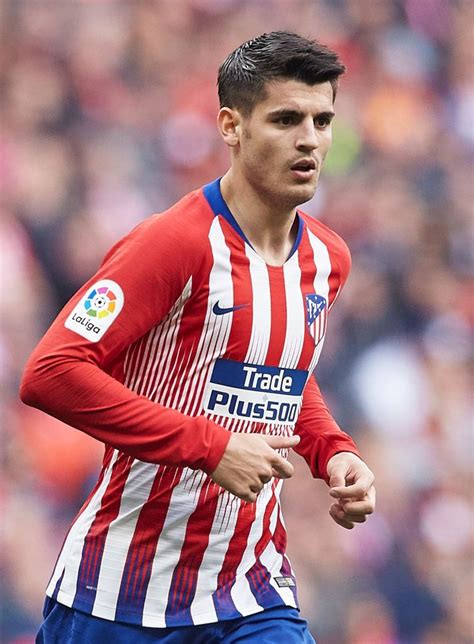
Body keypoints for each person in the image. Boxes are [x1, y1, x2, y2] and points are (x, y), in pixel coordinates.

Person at [21, 31, 376, 643]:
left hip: (249, 592)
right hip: (118, 597)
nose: (310, 140)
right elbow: (51, 372)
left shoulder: (328, 258)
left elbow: (283, 369)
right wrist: (210, 448)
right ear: (230, 126)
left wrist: (333, 451)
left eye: (323, 120)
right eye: (286, 119)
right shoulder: (174, 242)